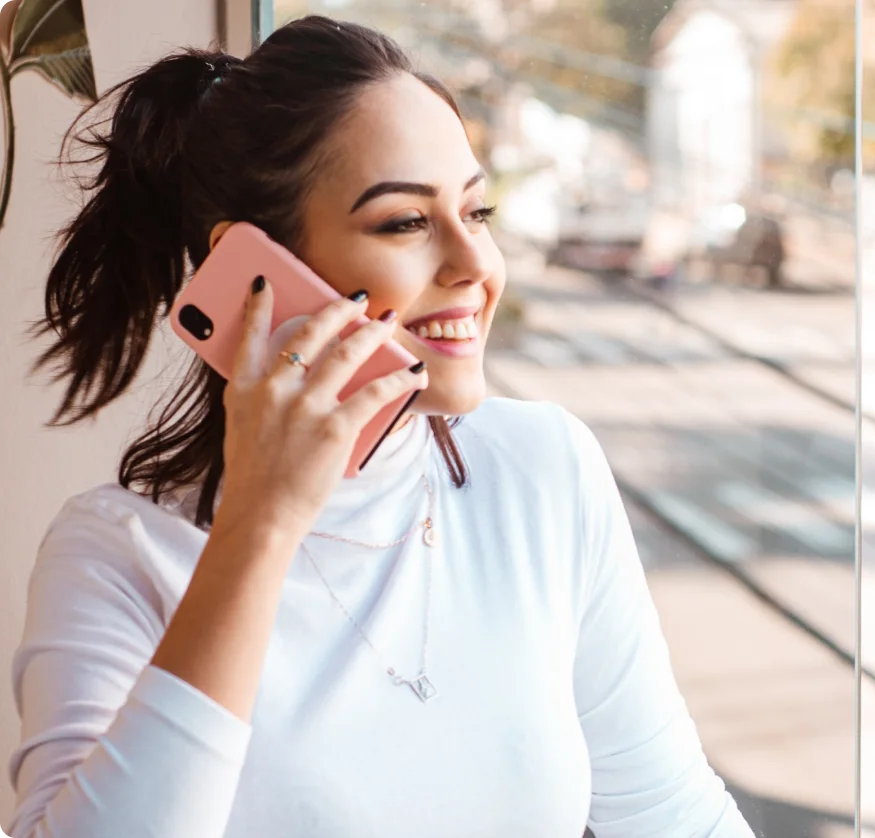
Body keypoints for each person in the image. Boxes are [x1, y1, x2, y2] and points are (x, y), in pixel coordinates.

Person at [6, 17, 754, 838]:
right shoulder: (116, 556)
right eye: (405, 222)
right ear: (254, 271)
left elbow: (673, 814)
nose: (475, 266)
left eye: (479, 210)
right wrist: (263, 524)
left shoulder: (544, 469)